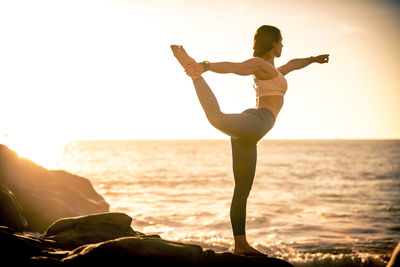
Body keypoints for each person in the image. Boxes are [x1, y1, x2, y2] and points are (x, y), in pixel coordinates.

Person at [171, 25, 329, 256]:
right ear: (273, 43)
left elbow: (293, 64)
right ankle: (193, 72)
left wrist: (313, 59)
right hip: (257, 123)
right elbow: (237, 67)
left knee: (242, 190)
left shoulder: (273, 70)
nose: (283, 45)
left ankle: (240, 244)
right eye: (281, 41)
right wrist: (205, 67)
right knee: (216, 118)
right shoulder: (260, 65)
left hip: (250, 131)